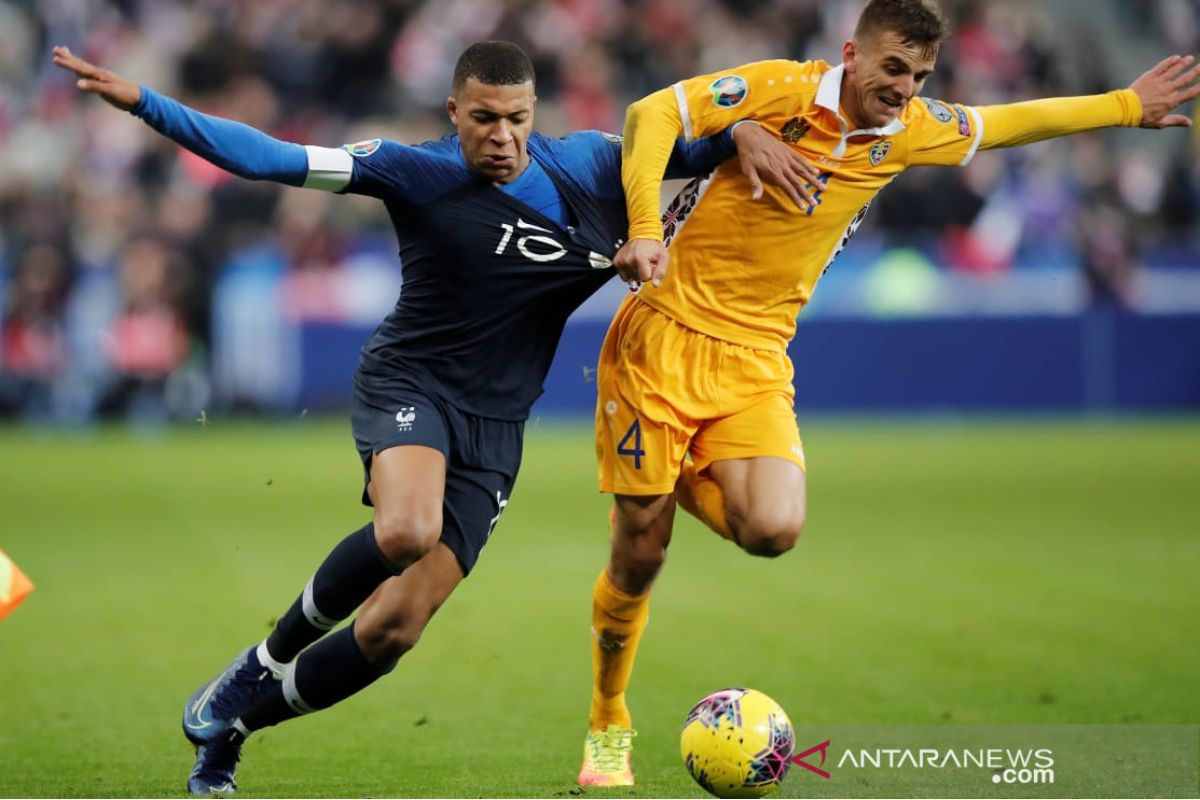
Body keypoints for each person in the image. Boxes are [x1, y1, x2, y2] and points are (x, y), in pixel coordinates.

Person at [54, 40, 817, 796]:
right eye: (483, 118)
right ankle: (262, 660)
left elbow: (692, 138)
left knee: (393, 631)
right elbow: (269, 158)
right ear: (454, 112)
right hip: (410, 381)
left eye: (517, 118)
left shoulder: (591, 166)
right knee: (406, 529)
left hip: (497, 423)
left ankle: (233, 733)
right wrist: (146, 103)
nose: (502, 136)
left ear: (534, 113)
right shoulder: (415, 170)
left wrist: (743, 131)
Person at [577, 0, 1200, 786]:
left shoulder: (910, 131)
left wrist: (1125, 106)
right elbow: (650, 113)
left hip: (757, 359)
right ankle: (608, 722)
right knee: (641, 552)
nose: (904, 87)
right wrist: (642, 228)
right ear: (851, 54)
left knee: (773, 529)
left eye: (919, 75)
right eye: (893, 69)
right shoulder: (779, 89)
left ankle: (660, 483)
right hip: (660, 339)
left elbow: (1007, 120)